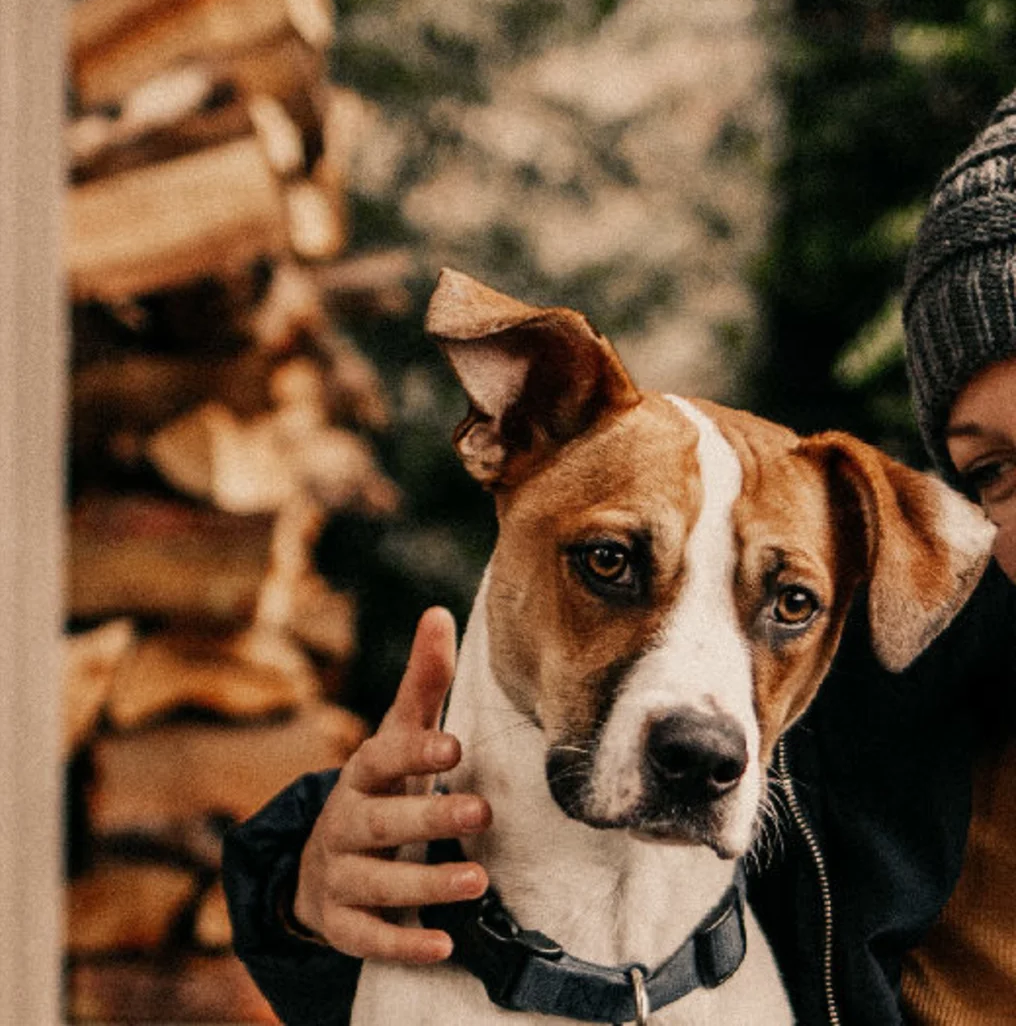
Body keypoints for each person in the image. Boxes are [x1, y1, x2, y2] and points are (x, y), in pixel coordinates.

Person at [221, 87, 1016, 1025]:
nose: (707, 722)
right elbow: (413, 834)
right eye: (995, 467)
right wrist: (305, 877)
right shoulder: (901, 684)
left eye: (786, 606)